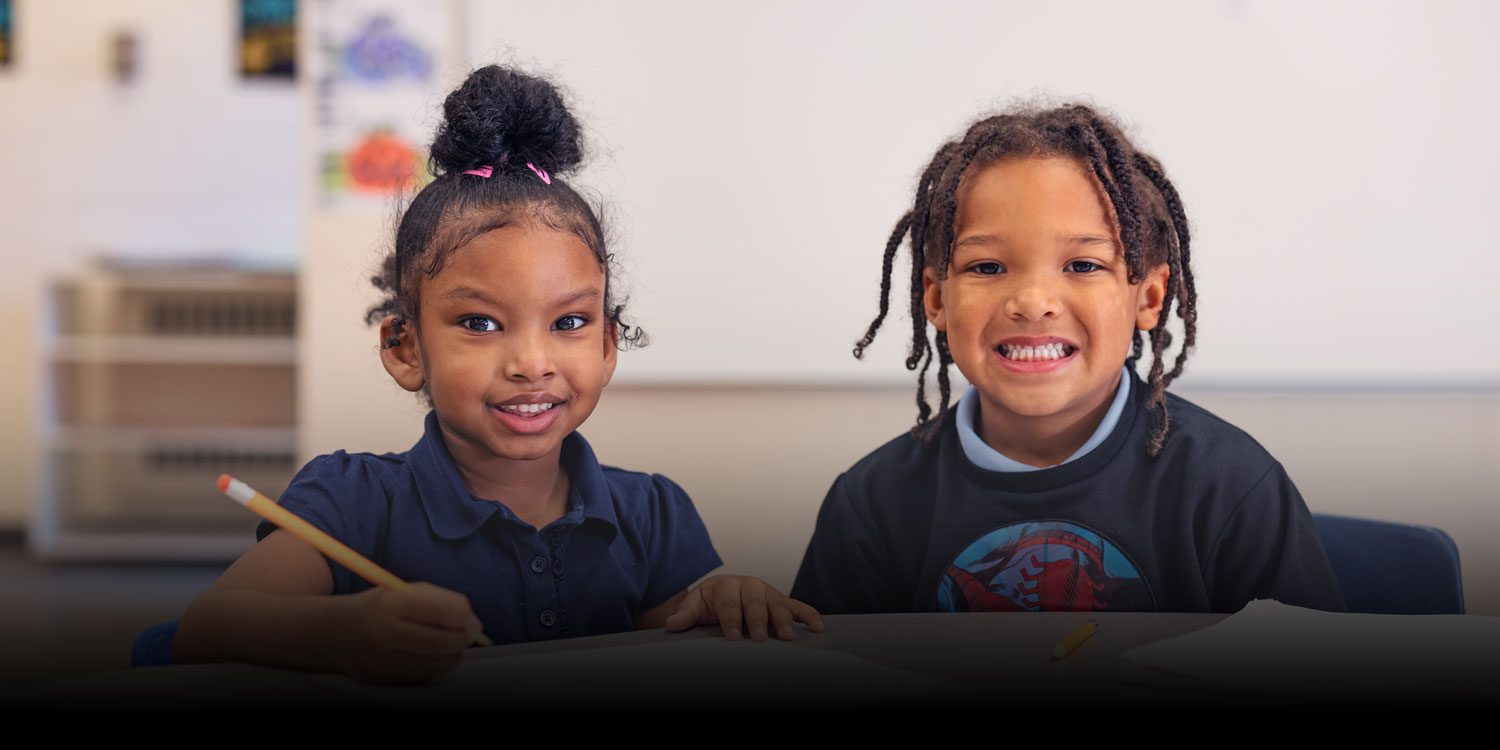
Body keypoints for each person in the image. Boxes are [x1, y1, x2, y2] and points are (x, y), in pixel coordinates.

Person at [175, 65, 822, 685]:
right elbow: (204, 630)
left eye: (568, 323)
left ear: (607, 344)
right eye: (481, 324)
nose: (532, 363)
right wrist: (343, 632)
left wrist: (720, 603)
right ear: (406, 348)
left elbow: (665, 652)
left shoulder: (651, 514)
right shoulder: (352, 501)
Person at [791, 103, 1345, 615]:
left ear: (1148, 298)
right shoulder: (872, 504)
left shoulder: (1231, 486)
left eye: (1082, 265)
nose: (1032, 302)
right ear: (936, 299)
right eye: (987, 267)